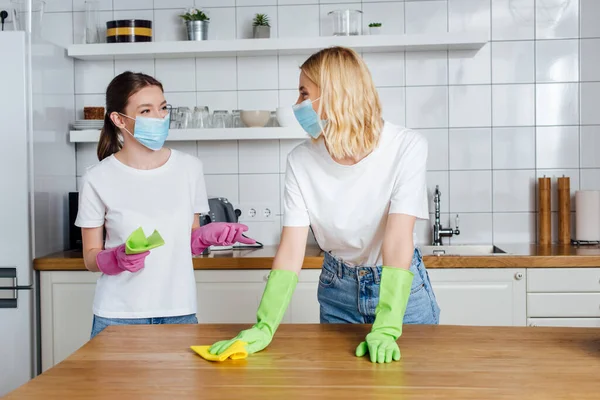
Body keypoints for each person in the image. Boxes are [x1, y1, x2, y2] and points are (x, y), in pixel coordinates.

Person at [209, 47, 440, 364]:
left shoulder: (406, 147)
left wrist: (386, 328)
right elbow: (292, 249)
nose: (296, 105)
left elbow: (399, 238)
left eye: (304, 93)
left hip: (402, 295)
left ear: (335, 94)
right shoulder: (300, 161)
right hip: (338, 289)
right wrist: (264, 326)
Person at [76, 71, 255, 339]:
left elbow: (188, 244)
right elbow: (90, 257)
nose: (159, 117)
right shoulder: (97, 178)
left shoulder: (189, 168)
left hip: (178, 310)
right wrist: (114, 259)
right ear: (118, 119)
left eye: (162, 108)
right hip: (118, 315)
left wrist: (205, 237)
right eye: (145, 110)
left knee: (180, 384)